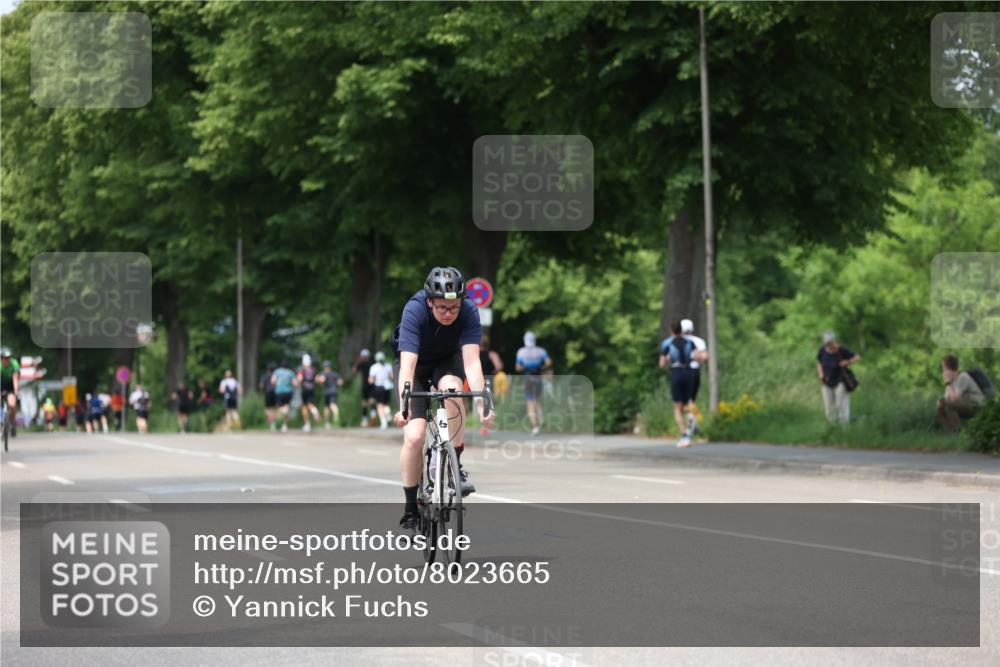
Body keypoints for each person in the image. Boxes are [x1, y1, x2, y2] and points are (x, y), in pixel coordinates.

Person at [391, 266, 495, 538]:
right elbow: (407, 365)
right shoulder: (414, 310)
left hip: (447, 362)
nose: (448, 313)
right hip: (415, 365)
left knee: (453, 389)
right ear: (429, 302)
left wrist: (484, 404)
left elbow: (472, 363)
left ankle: (455, 465)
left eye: (454, 308)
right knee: (414, 437)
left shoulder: (469, 311)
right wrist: (403, 404)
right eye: (441, 308)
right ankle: (411, 511)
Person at [659, 320, 698, 448]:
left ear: (671, 330)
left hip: (676, 372)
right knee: (689, 403)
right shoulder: (690, 342)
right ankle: (692, 424)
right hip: (688, 371)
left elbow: (662, 364)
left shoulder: (667, 343)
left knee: (677, 407)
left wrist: (669, 360)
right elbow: (697, 356)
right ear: (681, 329)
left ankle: (684, 436)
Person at [816, 331, 860, 424]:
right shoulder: (822, 350)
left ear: (834, 341)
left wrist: (847, 362)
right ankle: (831, 428)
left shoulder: (842, 349)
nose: (829, 345)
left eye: (830, 342)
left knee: (841, 406)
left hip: (840, 381)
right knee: (829, 407)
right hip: (826, 382)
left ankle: (844, 429)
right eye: (827, 343)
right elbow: (819, 362)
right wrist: (820, 374)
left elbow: (857, 357)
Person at [936, 355, 986, 433]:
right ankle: (949, 431)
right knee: (939, 405)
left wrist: (948, 383)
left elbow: (955, 399)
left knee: (948, 405)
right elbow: (947, 398)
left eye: (944, 367)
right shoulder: (951, 380)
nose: (943, 370)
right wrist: (949, 384)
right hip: (964, 404)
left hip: (975, 405)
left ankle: (956, 431)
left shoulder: (963, 377)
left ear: (949, 368)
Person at [515, 331, 552, 435]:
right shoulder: (541, 351)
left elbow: (518, 368)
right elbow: (549, 362)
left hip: (528, 378)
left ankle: (535, 427)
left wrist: (526, 367)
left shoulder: (521, 352)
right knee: (537, 399)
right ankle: (541, 416)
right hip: (538, 377)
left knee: (530, 403)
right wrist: (541, 367)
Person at [680, 319, 709, 434]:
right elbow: (705, 357)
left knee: (681, 401)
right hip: (694, 371)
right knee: (691, 400)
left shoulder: (677, 341)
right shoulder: (699, 341)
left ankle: (692, 423)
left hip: (680, 372)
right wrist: (697, 358)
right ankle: (694, 422)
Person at [368, 351, 394, 430]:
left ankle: (383, 422)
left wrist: (372, 380)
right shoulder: (388, 366)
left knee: (379, 405)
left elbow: (371, 380)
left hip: (378, 387)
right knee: (386, 403)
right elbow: (392, 376)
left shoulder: (374, 367)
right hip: (387, 387)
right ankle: (388, 412)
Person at [270, 359, 296, 433]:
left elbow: (273, 381)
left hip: (279, 392)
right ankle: (285, 425)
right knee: (287, 407)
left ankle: (278, 420)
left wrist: (276, 386)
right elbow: (295, 383)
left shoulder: (277, 371)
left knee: (278, 407)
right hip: (288, 392)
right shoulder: (291, 372)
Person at [297, 354, 320, 432]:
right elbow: (317, 380)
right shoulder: (313, 370)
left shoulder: (302, 369)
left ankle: (307, 424)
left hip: (305, 389)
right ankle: (315, 411)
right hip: (312, 388)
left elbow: (299, 379)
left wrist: (298, 383)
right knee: (310, 404)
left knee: (304, 407)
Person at [1, 348, 20, 438]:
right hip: (1, 385)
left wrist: (16, 392)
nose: (7, 360)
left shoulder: (14, 363)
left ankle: (12, 423)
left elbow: (15, 379)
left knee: (12, 405)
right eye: (5, 358)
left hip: (10, 386)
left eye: (8, 358)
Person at [319, 360, 343, 428]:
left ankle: (327, 422)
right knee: (333, 404)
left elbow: (322, 380)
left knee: (327, 407)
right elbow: (340, 382)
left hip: (327, 392)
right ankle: (336, 415)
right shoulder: (335, 374)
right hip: (334, 391)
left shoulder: (323, 373)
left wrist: (320, 382)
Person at [354, 349, 374, 427]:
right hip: (372, 384)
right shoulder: (372, 363)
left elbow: (354, 370)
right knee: (372, 400)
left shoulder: (361, 364)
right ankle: (373, 415)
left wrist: (359, 361)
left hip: (365, 385)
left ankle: (365, 420)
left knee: (365, 402)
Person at [259, 362, 277, 431]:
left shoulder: (265, 376)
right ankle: (273, 422)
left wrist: (262, 391)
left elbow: (261, 385)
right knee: (274, 409)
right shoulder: (275, 375)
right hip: (274, 393)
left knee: (268, 409)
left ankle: (270, 420)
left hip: (267, 393)